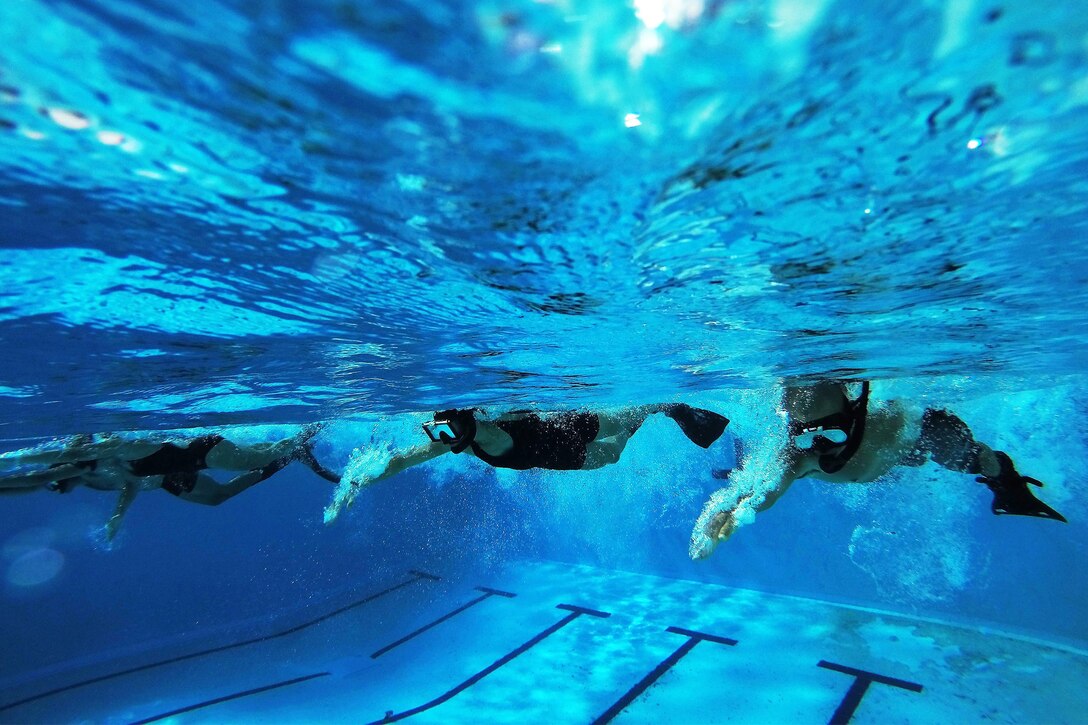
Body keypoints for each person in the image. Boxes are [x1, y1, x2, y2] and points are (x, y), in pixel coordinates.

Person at [689, 382, 1067, 560]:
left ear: (854, 414)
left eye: (831, 432)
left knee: (961, 456)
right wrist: (730, 513)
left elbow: (926, 422)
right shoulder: (796, 455)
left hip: (901, 450)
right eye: (805, 437)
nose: (819, 449)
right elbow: (762, 491)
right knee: (760, 464)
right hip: (881, 459)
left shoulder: (889, 418)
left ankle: (1009, 481)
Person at [0, 425, 339, 539]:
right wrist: (117, 517)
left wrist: (13, 459)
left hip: (203, 450)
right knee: (222, 492)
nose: (60, 483)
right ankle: (295, 450)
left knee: (260, 455)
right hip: (183, 466)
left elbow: (50, 467)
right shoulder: (103, 471)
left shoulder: (116, 449)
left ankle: (318, 426)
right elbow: (49, 472)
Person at [342, 403, 730, 490]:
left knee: (613, 442)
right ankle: (659, 408)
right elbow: (406, 458)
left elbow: (410, 456)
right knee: (612, 451)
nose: (440, 437)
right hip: (562, 444)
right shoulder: (462, 439)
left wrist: (360, 481)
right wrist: (360, 479)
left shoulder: (481, 430)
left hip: (563, 436)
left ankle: (664, 407)